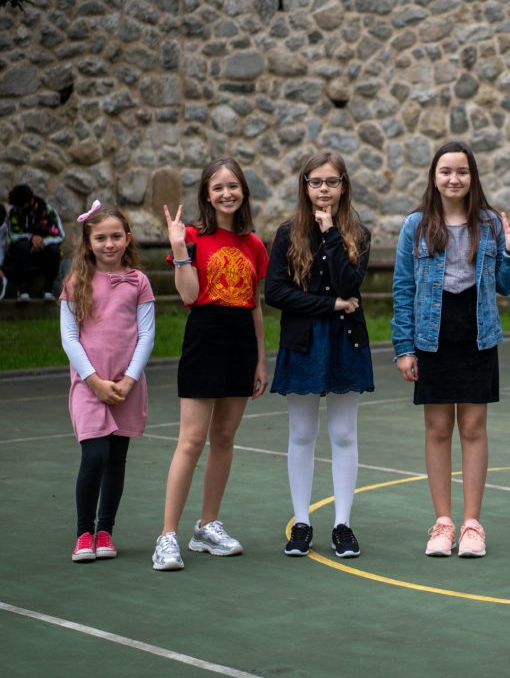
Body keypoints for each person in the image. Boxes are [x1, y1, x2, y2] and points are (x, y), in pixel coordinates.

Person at [392, 141, 510, 558]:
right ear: (434, 177)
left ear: (472, 177)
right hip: (431, 336)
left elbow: (505, 286)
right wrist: (404, 347)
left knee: (473, 427)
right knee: (437, 429)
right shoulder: (415, 225)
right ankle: (443, 523)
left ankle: (471, 525)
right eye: (446, 171)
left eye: (462, 172)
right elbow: (403, 288)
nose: (454, 179)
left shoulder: (490, 222)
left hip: (476, 333)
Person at [153, 158, 268, 571]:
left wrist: (261, 359)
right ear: (206, 195)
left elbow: (255, 305)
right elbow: (188, 296)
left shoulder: (254, 244)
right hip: (205, 338)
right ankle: (167, 536)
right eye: (217, 187)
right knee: (191, 439)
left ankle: (207, 526)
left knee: (224, 438)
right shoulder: (190, 237)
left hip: (241, 343)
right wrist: (179, 250)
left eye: (233, 186)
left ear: (243, 192)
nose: (226, 193)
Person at [266, 150, 374, 559]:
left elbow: (348, 284)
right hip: (303, 342)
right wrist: (329, 306)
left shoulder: (358, 234)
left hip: (346, 341)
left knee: (344, 434)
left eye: (332, 181)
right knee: (301, 433)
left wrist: (330, 234)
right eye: (316, 182)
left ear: (344, 186)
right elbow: (275, 292)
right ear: (305, 186)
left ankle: (342, 524)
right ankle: (302, 522)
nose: (324, 189)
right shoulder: (286, 234)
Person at [61, 201, 155, 562]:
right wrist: (95, 381)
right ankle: (84, 533)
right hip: (90, 386)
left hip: (126, 386)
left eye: (116, 236)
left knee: (117, 459)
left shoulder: (139, 282)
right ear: (88, 242)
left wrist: (129, 380)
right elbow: (70, 338)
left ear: (127, 238)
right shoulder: (75, 284)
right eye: (100, 238)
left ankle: (105, 532)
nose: (109, 243)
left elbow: (146, 335)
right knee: (95, 456)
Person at [5, 184, 65, 301]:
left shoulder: (48, 211)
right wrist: (31, 239)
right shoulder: (14, 212)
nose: (20, 209)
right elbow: (12, 235)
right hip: (22, 253)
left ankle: (48, 290)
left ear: (31, 201)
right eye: (18, 207)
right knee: (21, 246)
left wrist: (43, 242)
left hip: (43, 252)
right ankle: (22, 291)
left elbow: (60, 235)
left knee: (54, 250)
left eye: (23, 206)